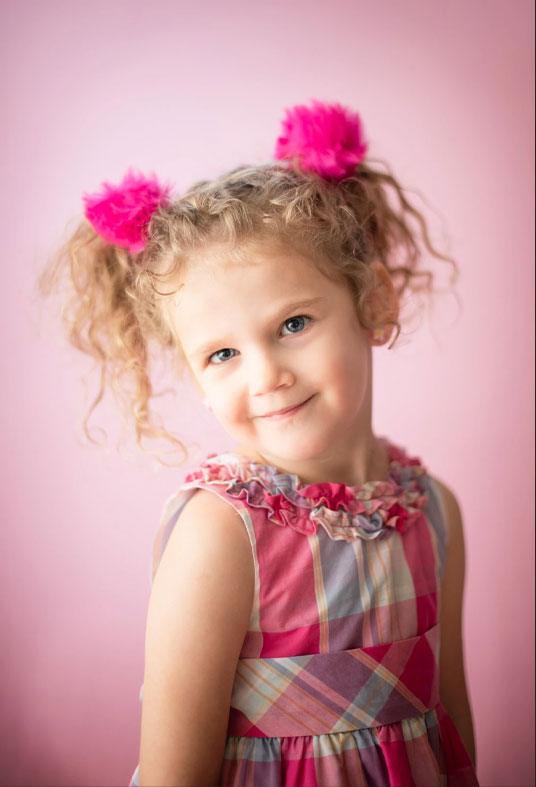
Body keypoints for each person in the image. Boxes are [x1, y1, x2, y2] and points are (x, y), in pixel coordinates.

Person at [39, 99, 479, 786]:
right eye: (221, 354)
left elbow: (453, 732)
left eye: (294, 323)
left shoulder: (434, 512)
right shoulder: (222, 533)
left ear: (375, 301)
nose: (267, 374)